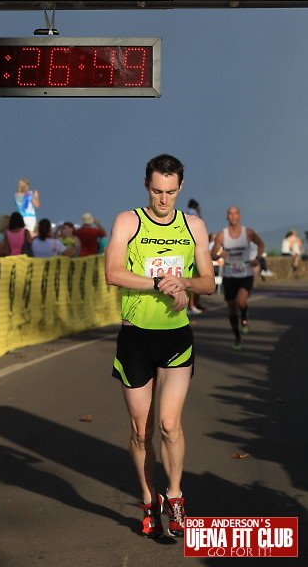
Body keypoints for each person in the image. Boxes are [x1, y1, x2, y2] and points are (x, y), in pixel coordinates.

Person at [105, 154, 215, 539]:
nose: (163, 199)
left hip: (174, 336)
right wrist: (157, 282)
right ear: (146, 185)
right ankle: (148, 500)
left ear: (180, 188)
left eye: (170, 192)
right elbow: (113, 272)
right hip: (135, 335)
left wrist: (182, 283)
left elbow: (209, 282)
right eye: (156, 191)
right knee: (142, 432)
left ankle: (176, 496)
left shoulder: (194, 226)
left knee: (170, 424)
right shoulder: (128, 221)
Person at [210, 206, 264, 349]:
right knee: (232, 309)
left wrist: (257, 258)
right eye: (230, 214)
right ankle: (237, 337)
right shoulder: (222, 234)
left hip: (245, 273)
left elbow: (260, 243)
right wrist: (218, 255)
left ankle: (245, 317)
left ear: (239, 216)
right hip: (229, 275)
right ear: (227, 217)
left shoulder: (248, 233)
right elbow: (212, 253)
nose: (233, 216)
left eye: (235, 214)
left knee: (241, 302)